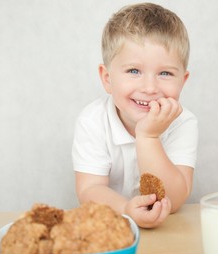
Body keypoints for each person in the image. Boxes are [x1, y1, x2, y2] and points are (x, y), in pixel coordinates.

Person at [72, 3, 198, 228]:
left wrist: (148, 137)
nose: (150, 87)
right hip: (111, 228)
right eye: (134, 71)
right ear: (107, 78)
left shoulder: (183, 122)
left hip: (166, 233)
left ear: (183, 81)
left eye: (165, 73)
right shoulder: (92, 121)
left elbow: (175, 199)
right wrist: (125, 210)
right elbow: (89, 189)